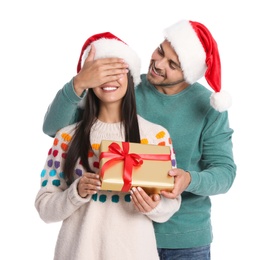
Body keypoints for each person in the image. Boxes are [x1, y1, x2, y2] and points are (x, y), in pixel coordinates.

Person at [42, 20, 237, 260]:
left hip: (182, 237)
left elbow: (225, 172)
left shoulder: (207, 108)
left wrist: (188, 179)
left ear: (188, 73)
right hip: (120, 235)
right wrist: (79, 83)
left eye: (172, 64)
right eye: (160, 51)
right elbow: (57, 129)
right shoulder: (124, 86)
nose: (157, 63)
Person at [35, 32, 181, 260]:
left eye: (118, 69)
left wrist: (154, 206)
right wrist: (76, 192)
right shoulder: (65, 137)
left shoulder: (157, 136)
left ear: (131, 76)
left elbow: (171, 203)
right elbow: (44, 207)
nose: (109, 78)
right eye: (101, 71)